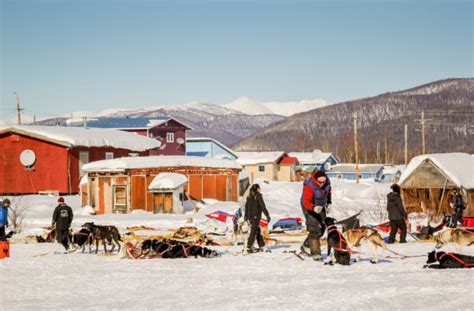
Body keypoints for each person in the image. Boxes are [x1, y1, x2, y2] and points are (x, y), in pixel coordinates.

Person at [300, 170, 332, 261]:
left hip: (320, 205)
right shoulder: (309, 186)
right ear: (316, 180)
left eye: (323, 182)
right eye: (320, 182)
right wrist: (313, 208)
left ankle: (306, 245)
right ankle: (315, 254)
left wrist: (329, 202)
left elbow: (328, 192)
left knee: (322, 227)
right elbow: (306, 202)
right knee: (314, 229)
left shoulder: (327, 183)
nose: (322, 184)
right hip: (308, 206)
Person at [244, 184, 271, 253]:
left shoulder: (249, 196)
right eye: (259, 188)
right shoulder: (258, 196)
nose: (260, 189)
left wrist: (246, 216)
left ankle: (262, 244)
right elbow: (263, 207)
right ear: (257, 189)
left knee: (257, 230)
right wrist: (267, 216)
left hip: (250, 217)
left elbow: (246, 207)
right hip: (256, 217)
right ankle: (248, 246)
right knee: (253, 231)